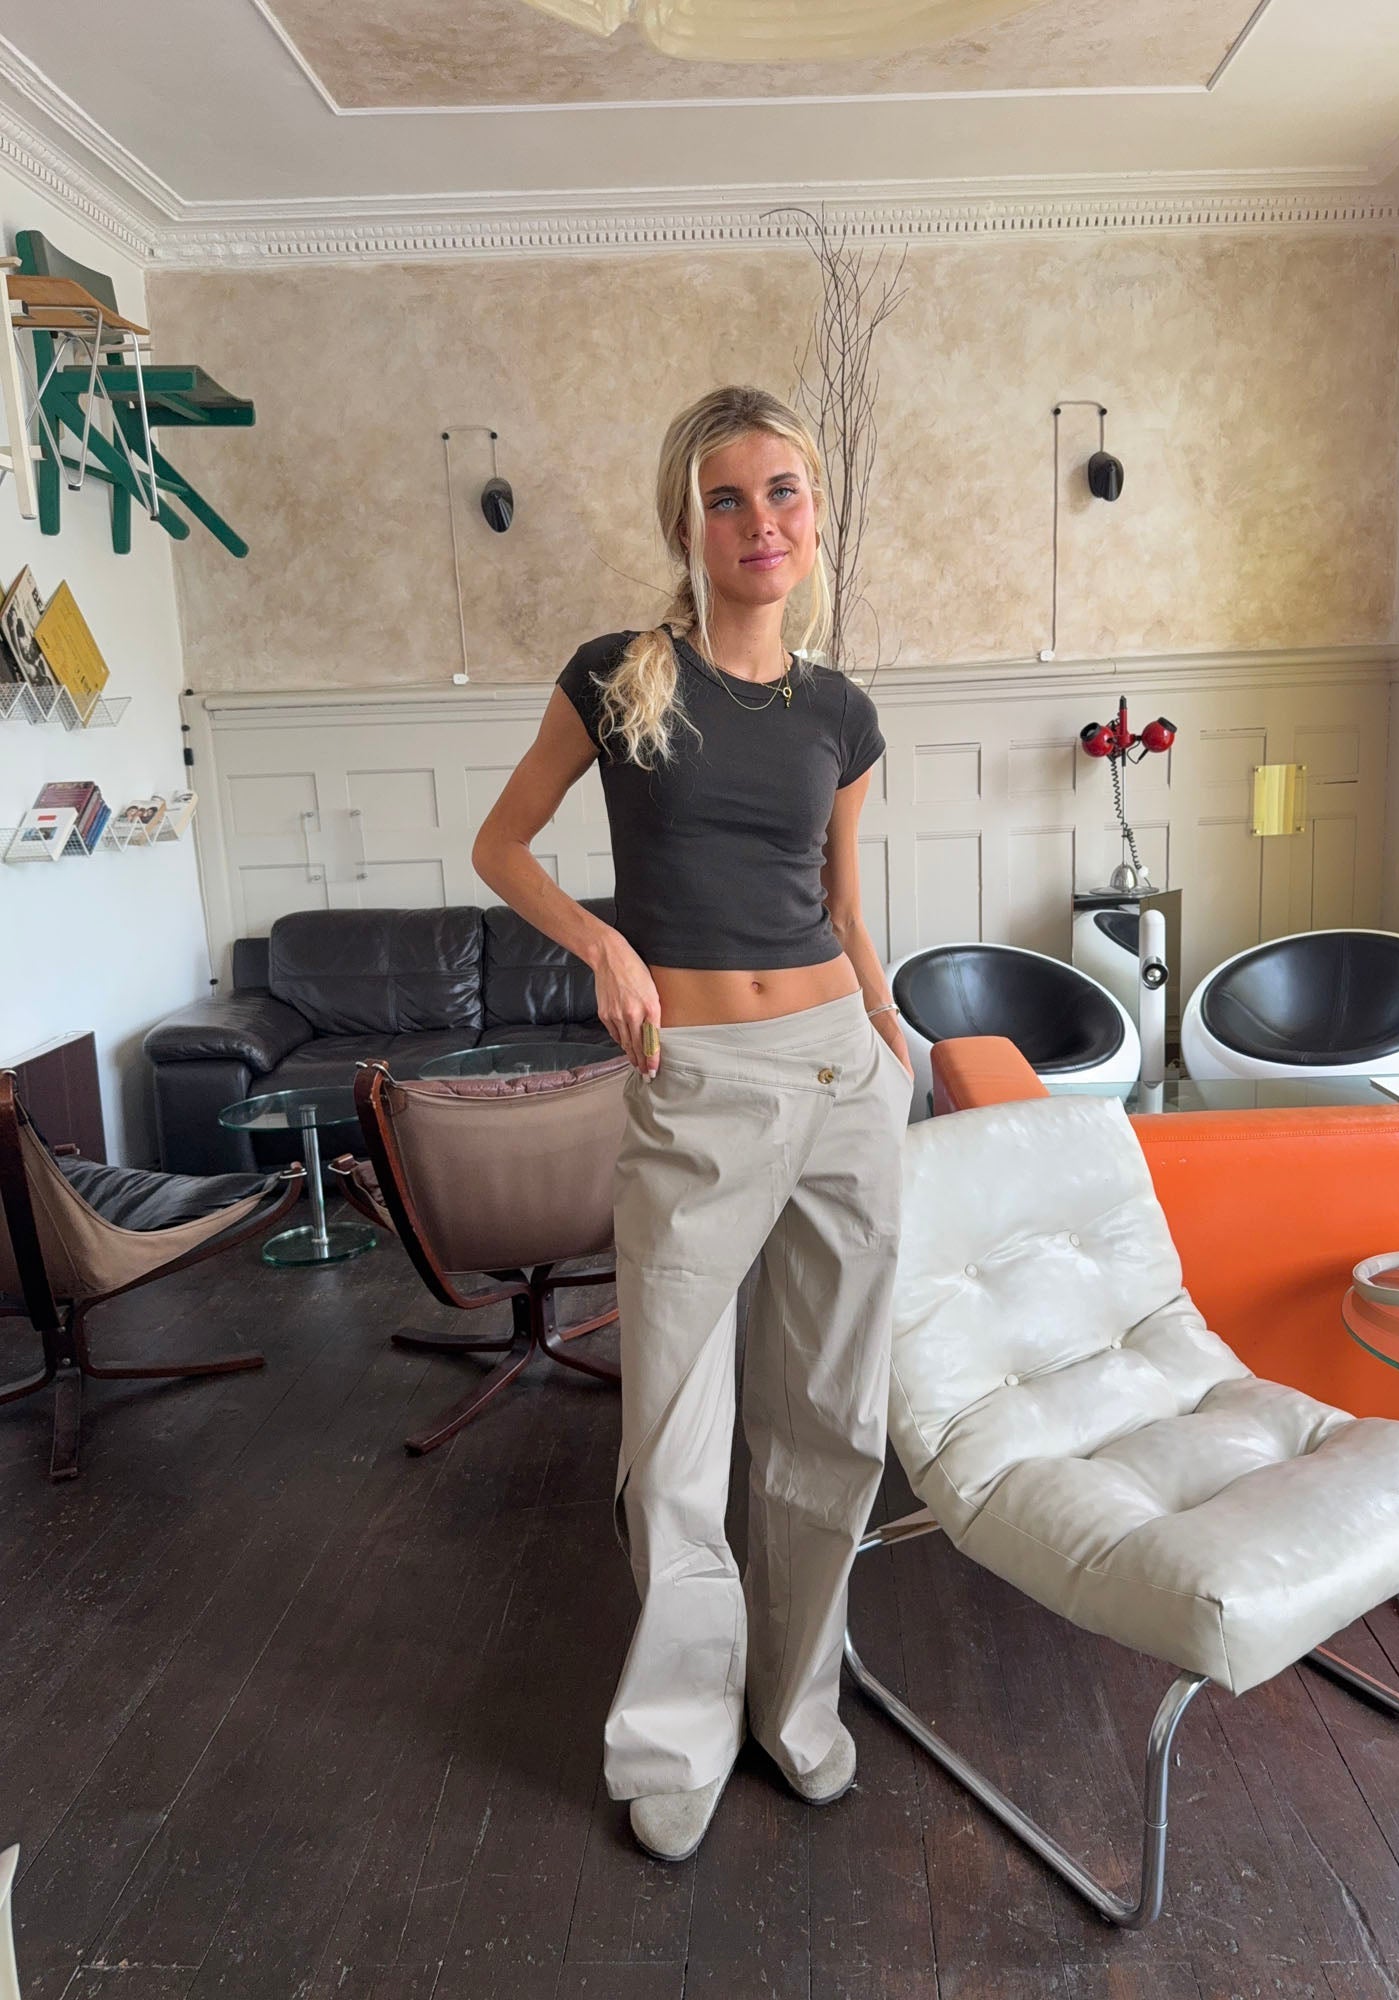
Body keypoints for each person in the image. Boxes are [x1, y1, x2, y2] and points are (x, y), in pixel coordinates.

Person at [472, 383, 912, 1863]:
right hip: (699, 1085)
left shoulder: (841, 713)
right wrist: (603, 945)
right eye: (727, 498)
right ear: (686, 523)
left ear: (813, 513)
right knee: (671, 1437)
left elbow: (843, 907)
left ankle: (796, 1706)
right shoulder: (619, 677)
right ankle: (675, 1733)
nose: (760, 522)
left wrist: (893, 1035)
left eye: (783, 492)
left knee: (833, 1420)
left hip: (844, 1075)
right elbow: (501, 844)